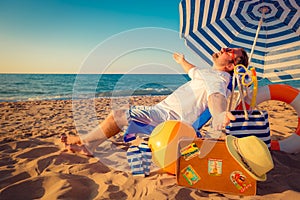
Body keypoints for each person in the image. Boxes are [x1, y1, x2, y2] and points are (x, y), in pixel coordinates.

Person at [61, 47, 249, 156]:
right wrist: (182, 61)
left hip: (168, 119)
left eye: (230, 51)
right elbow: (192, 70)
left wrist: (220, 114)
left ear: (231, 65)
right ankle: (85, 141)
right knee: (120, 114)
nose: (224, 49)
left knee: (118, 115)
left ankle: (87, 145)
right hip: (161, 111)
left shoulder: (219, 80)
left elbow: (216, 98)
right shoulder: (209, 74)